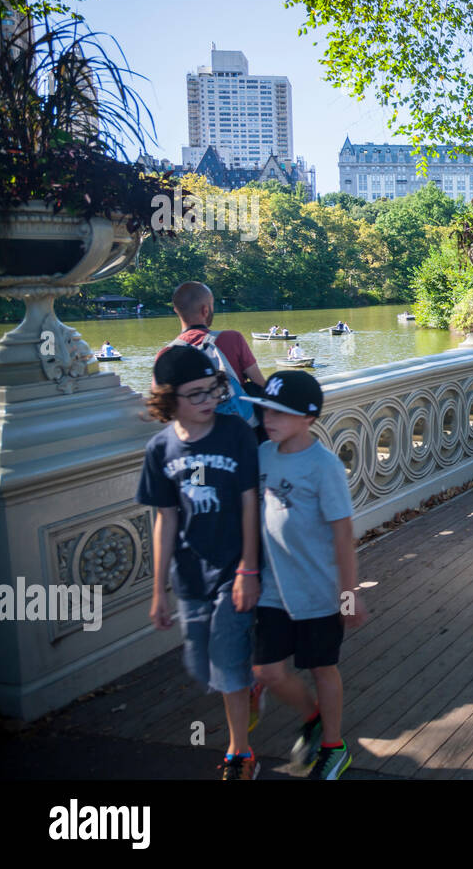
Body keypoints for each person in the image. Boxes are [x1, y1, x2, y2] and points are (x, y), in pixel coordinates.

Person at [136, 345, 262, 779]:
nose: (209, 400)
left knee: (227, 661)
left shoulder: (235, 433)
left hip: (234, 568)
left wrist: (248, 568)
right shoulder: (159, 449)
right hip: (190, 575)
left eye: (213, 389)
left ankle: (239, 753)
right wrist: (157, 591)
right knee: (205, 665)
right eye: (196, 394)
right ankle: (250, 683)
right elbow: (164, 520)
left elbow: (250, 504)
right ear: (169, 399)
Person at [241, 370, 366, 780]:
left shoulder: (323, 466)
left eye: (280, 413)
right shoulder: (262, 455)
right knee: (267, 671)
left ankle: (333, 745)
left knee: (321, 668)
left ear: (308, 418)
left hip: (319, 593)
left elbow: (343, 533)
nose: (268, 419)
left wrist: (349, 592)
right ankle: (312, 716)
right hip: (274, 590)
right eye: (265, 410)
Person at [163, 281, 266, 435]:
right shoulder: (232, 338)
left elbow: (164, 407)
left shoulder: (165, 355)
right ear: (206, 310)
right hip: (240, 431)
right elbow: (261, 384)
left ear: (176, 310)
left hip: (198, 438)